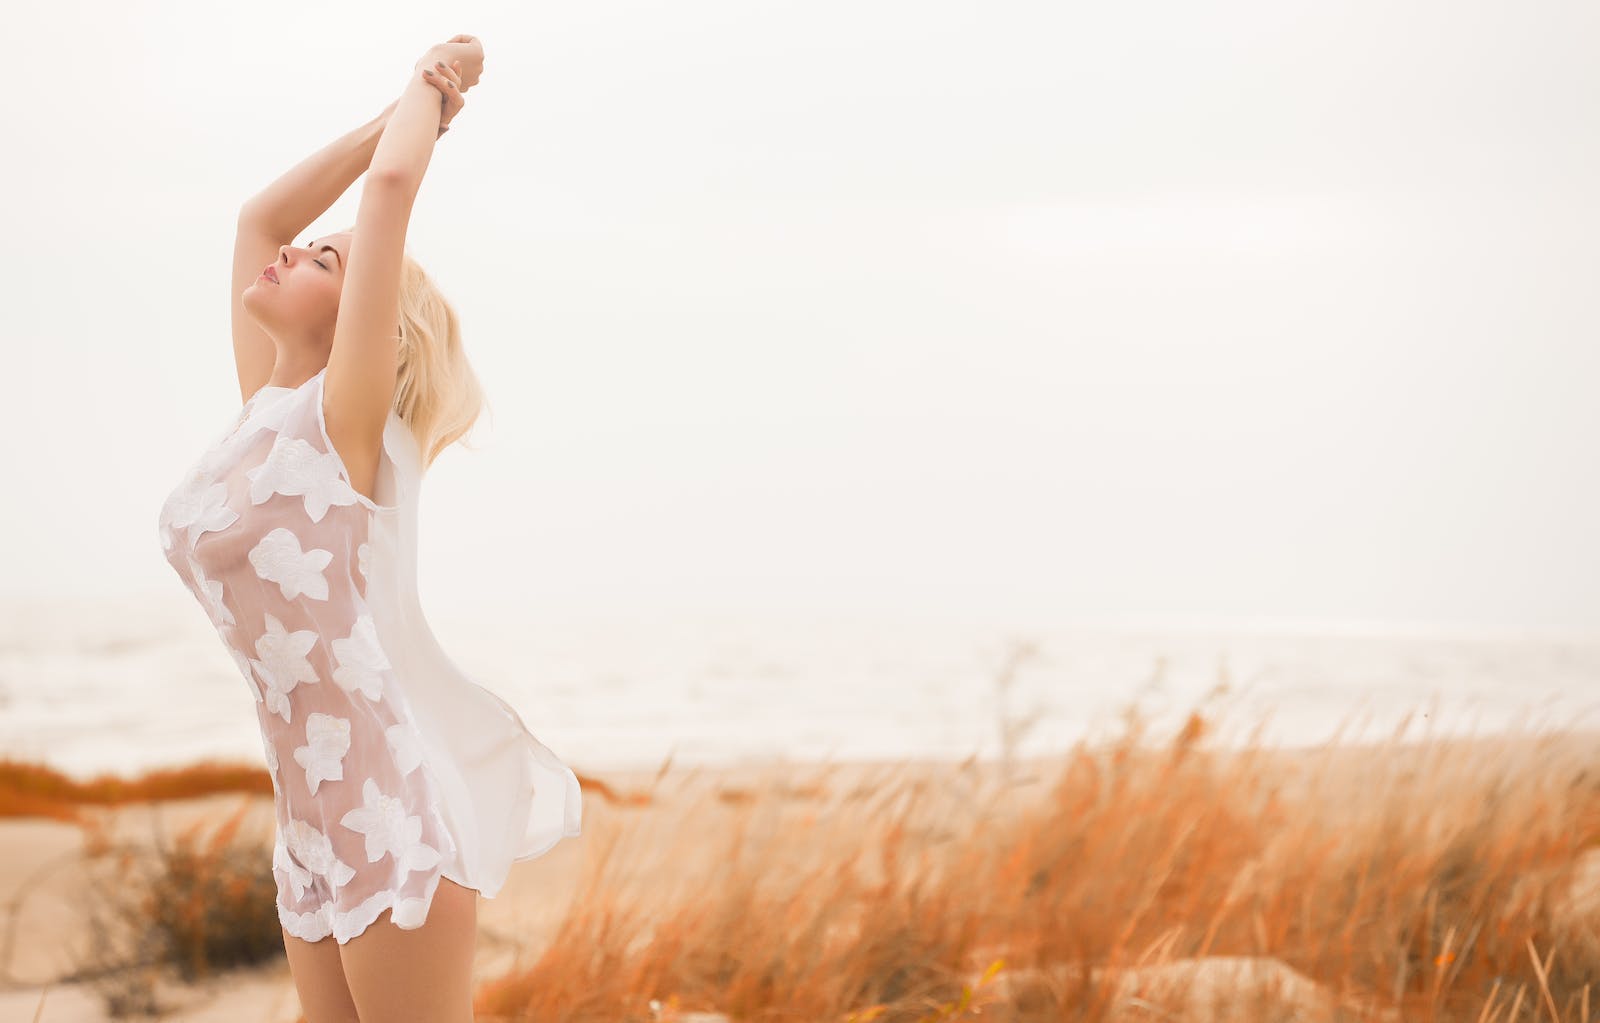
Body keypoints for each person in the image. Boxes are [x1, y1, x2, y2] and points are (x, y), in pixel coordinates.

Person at [155, 35, 582, 1023]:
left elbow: (390, 189)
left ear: (368, 324)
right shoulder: (262, 415)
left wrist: (426, 96)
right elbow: (257, 216)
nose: (291, 250)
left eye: (323, 256)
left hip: (394, 817)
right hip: (307, 829)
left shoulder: (342, 426)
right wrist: (381, 118)